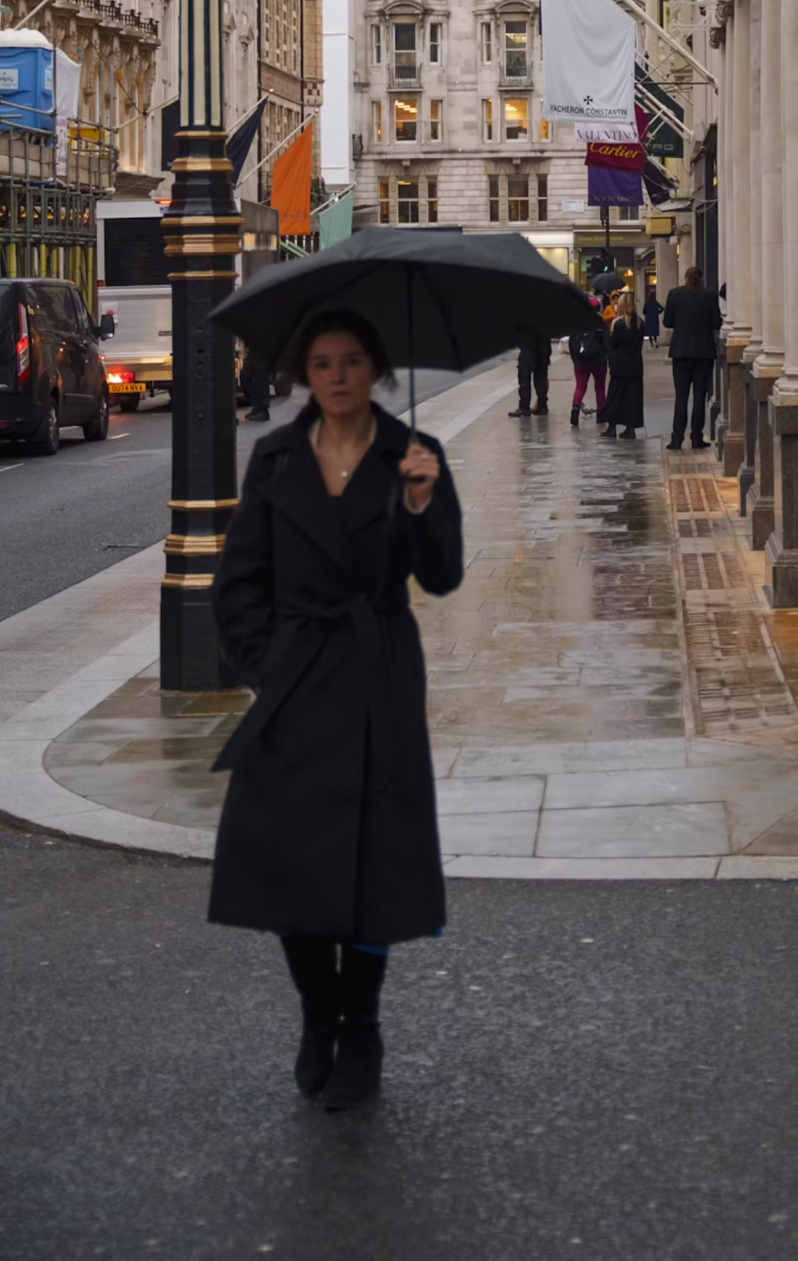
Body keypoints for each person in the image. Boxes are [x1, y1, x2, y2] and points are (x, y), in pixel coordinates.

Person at [208, 309, 463, 1110]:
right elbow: (238, 584)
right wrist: (269, 665)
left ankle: (364, 1028)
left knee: (372, 866)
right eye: (322, 362)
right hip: (298, 689)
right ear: (303, 375)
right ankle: (320, 1017)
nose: (338, 374)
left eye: (352, 360)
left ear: (375, 369)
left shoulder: (413, 457)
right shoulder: (276, 458)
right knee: (296, 868)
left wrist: (422, 506)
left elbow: (444, 578)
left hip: (379, 677)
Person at [663, 264, 721, 451]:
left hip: (681, 352)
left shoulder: (674, 294)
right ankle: (696, 437)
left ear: (685, 278)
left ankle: (677, 437)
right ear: (701, 278)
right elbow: (716, 322)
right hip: (703, 353)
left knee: (681, 396)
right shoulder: (710, 296)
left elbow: (667, 322)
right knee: (699, 396)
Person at [599, 290, 645, 440]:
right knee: (633, 398)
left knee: (615, 395)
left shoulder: (618, 324)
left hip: (620, 366)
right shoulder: (639, 323)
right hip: (635, 366)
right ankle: (630, 428)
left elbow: (613, 344)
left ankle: (612, 426)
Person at [568, 300, 609, 427]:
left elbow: (571, 343)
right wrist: (606, 357)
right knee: (600, 387)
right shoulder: (601, 323)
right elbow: (607, 343)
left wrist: (575, 359)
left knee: (580, 386)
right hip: (598, 361)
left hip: (581, 362)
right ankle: (601, 414)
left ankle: (575, 409)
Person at [510, 324, 550, 418]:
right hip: (543, 345)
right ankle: (542, 405)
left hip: (528, 344)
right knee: (540, 375)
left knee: (524, 376)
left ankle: (524, 407)